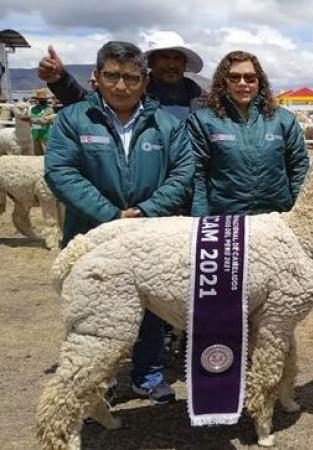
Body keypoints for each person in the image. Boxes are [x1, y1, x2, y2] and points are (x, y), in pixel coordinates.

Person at [44, 41, 194, 404]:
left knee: (152, 305)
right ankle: (102, 380)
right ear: (97, 77)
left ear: (145, 81)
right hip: (92, 233)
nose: (121, 85)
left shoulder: (165, 125)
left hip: (150, 234)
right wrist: (111, 216)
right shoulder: (74, 120)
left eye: (131, 77)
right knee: (94, 310)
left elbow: (182, 173)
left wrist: (146, 211)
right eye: (112, 76)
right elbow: (61, 171)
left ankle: (148, 374)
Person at [187, 51, 308, 216]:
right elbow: (197, 174)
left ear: (259, 81)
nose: (242, 83)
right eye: (234, 77)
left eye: (250, 78)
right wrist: (200, 219)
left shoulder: (284, 120)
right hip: (226, 219)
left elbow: (299, 168)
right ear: (223, 81)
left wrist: (299, 215)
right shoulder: (203, 121)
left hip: (276, 217)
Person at [37, 32, 204, 120]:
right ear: (151, 62)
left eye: (177, 58)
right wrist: (60, 79)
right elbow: (85, 102)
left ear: (184, 64)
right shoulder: (133, 91)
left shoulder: (201, 99)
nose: (172, 65)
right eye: (165, 57)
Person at [28, 88, 56, 155]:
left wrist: (37, 120)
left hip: (45, 134)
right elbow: (32, 120)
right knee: (37, 153)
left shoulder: (49, 109)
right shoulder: (34, 109)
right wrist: (42, 120)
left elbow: (44, 121)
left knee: (46, 152)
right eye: (40, 99)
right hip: (35, 134)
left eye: (43, 99)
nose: (41, 100)